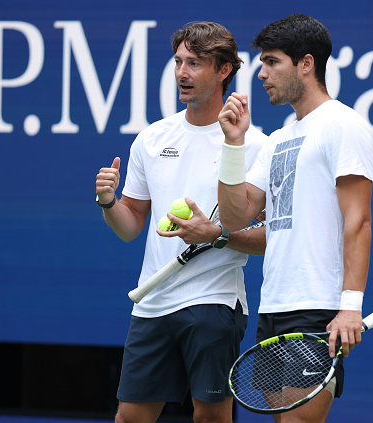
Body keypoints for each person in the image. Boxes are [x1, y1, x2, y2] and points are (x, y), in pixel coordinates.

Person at [95, 21, 267, 423]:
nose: (182, 73)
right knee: (130, 418)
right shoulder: (152, 139)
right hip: (152, 301)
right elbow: (130, 225)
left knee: (210, 417)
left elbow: (272, 237)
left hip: (214, 300)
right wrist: (107, 203)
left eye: (195, 63)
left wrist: (218, 235)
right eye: (178, 62)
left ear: (224, 70)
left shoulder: (255, 145)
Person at [217, 14, 373, 423]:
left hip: (319, 307)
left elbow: (358, 220)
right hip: (274, 304)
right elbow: (236, 215)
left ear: (306, 63)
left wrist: (350, 307)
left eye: (272, 62)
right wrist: (233, 146)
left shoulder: (344, 125)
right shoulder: (280, 138)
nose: (262, 74)